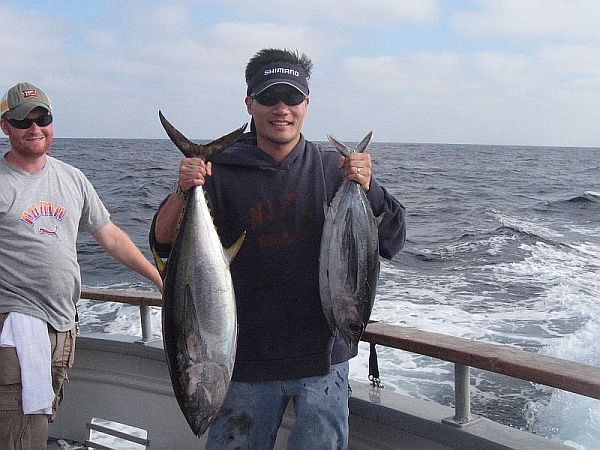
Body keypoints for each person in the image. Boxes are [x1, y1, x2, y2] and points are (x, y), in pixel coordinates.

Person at [151, 48, 406, 449]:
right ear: (250, 103)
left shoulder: (333, 169)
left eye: (292, 97)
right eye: (269, 97)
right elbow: (163, 244)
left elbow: (392, 240)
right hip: (241, 362)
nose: (281, 108)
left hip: (323, 362)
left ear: (306, 104)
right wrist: (184, 190)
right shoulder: (221, 171)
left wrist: (368, 187)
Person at [0, 82, 163, 450]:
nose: (35, 128)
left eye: (43, 119)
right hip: (13, 330)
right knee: (19, 434)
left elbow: (110, 236)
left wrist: (158, 277)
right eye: (23, 121)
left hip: (63, 328)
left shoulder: (72, 178)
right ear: (5, 126)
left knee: (38, 421)